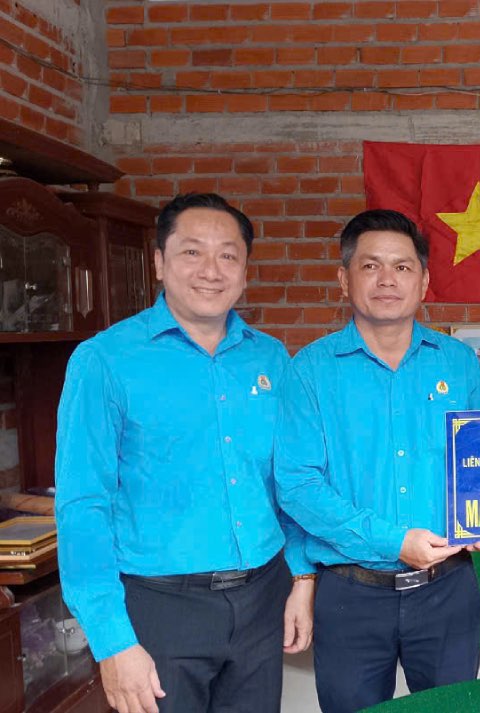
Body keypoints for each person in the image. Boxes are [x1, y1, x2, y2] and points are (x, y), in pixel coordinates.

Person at [55, 193, 314, 713]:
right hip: (159, 609)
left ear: (245, 270)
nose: (211, 271)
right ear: (159, 262)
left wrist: (301, 579)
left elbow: (288, 481)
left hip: (262, 597)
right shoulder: (105, 360)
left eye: (228, 255)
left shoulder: (269, 356)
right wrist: (113, 642)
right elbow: (83, 505)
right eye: (192, 252)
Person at [273, 209, 480, 713]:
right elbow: (297, 485)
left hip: (448, 589)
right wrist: (392, 541)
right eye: (371, 266)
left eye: (402, 267)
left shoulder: (456, 363)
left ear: (424, 282)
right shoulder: (310, 370)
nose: (387, 280)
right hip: (351, 594)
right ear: (344, 279)